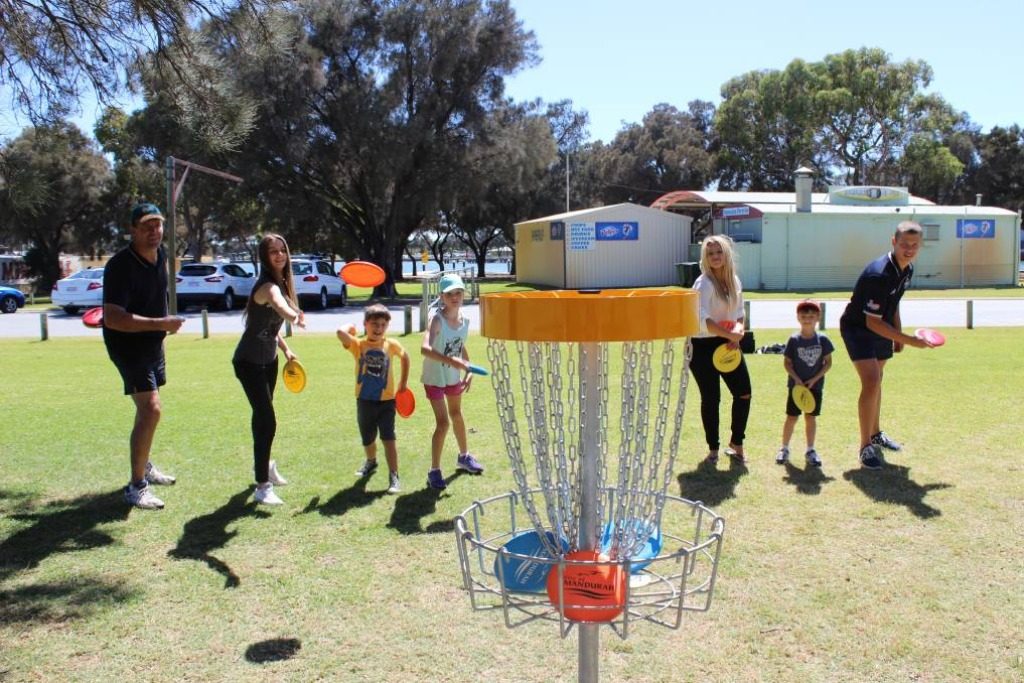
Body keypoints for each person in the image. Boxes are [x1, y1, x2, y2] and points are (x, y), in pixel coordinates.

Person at [102, 202, 185, 510]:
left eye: (158, 225)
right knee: (151, 409)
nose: (154, 231)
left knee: (148, 410)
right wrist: (162, 323)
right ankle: (136, 486)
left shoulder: (160, 256)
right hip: (127, 345)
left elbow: (156, 297)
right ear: (132, 230)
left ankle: (144, 465)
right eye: (147, 226)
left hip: (152, 344)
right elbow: (112, 317)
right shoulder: (120, 265)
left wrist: (161, 330)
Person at [839, 221, 936, 470]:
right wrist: (910, 341)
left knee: (878, 379)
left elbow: (894, 303)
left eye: (914, 245)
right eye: (904, 244)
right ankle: (865, 447)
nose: (909, 249)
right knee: (871, 380)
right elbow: (871, 323)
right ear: (894, 242)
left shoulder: (907, 269)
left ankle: (875, 434)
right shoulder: (879, 274)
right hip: (858, 328)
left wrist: (898, 332)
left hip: (881, 325)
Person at [232, 234, 305, 506]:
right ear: (264, 257)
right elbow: (278, 305)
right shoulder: (267, 287)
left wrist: (286, 350)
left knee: (261, 417)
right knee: (267, 418)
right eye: (272, 252)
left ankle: (266, 465)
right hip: (248, 362)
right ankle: (262, 485)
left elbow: (271, 328)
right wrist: (292, 315)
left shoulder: (283, 283)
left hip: (270, 361)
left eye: (282, 250)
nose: (279, 255)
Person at [689, 235, 752, 465]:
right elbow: (703, 319)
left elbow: (739, 312)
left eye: (719, 252)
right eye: (710, 253)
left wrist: (738, 331)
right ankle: (713, 450)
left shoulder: (734, 280)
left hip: (727, 343)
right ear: (705, 258)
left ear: (726, 254)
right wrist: (729, 334)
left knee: (743, 392)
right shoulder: (703, 283)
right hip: (703, 345)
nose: (715, 257)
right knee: (711, 398)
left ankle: (737, 444)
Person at [338, 304, 410, 494]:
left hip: (387, 402)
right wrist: (351, 327)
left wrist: (402, 384)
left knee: (388, 438)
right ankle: (371, 461)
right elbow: (340, 332)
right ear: (366, 324)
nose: (378, 329)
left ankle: (394, 475)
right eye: (374, 324)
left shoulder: (391, 344)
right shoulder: (359, 345)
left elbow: (406, 357)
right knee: (367, 436)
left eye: (383, 325)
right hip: (364, 400)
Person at [420, 273, 483, 489]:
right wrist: (454, 362)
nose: (455, 297)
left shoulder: (465, 320)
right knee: (443, 422)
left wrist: (469, 367)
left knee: (457, 415)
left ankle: (464, 457)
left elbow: (459, 343)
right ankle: (434, 471)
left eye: (458, 292)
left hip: (452, 376)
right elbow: (424, 348)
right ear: (442, 296)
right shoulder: (436, 320)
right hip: (434, 378)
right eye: (449, 294)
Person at [775, 300, 834, 468]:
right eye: (804, 316)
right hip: (796, 388)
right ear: (798, 317)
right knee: (792, 417)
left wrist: (815, 379)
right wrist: (797, 379)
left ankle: (810, 450)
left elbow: (828, 363)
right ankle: (784, 448)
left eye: (811, 316)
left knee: (810, 417)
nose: (807, 319)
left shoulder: (823, 340)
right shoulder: (794, 340)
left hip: (814, 388)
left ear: (818, 318)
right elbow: (787, 363)